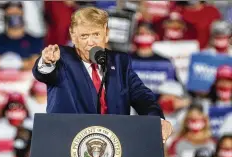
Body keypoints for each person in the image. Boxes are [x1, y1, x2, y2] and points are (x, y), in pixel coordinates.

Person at [32, 7, 173, 143]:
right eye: (84, 36)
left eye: (96, 35)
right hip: (67, 146)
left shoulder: (119, 62)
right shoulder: (61, 58)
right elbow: (43, 73)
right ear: (73, 36)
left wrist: (157, 121)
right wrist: (47, 62)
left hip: (113, 149)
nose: (91, 42)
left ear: (106, 34)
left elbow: (142, 97)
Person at [0, 2, 43, 70]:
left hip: (26, 79)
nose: (14, 16)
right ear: (5, 16)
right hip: (1, 79)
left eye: (17, 13)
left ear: (23, 14)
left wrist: (2, 63)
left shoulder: (35, 41)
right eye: (10, 14)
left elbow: (36, 64)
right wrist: (25, 63)